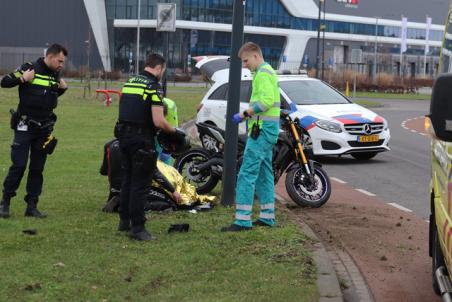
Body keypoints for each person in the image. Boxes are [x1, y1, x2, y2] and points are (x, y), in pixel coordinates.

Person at [115, 53, 185, 241]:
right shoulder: (153, 86)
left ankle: (124, 220)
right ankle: (138, 228)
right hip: (141, 139)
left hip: (123, 137)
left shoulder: (130, 82)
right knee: (141, 184)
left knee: (128, 179)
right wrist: (175, 132)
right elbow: (158, 120)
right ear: (159, 68)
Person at [0, 43, 68, 219]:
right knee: (19, 165)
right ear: (50, 56)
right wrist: (22, 79)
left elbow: (50, 95)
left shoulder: (55, 74)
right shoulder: (29, 68)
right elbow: (5, 82)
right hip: (24, 126)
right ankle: (5, 203)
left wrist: (62, 89)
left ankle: (32, 206)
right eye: (60, 61)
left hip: (43, 128)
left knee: (37, 168)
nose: (62, 65)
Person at [221, 42, 280, 232]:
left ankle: (242, 220)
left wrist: (245, 114)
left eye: (246, 61)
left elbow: (266, 101)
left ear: (256, 56)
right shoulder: (268, 71)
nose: (245, 65)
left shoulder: (262, 74)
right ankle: (267, 216)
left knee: (247, 173)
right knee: (264, 174)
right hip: (267, 130)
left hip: (261, 131)